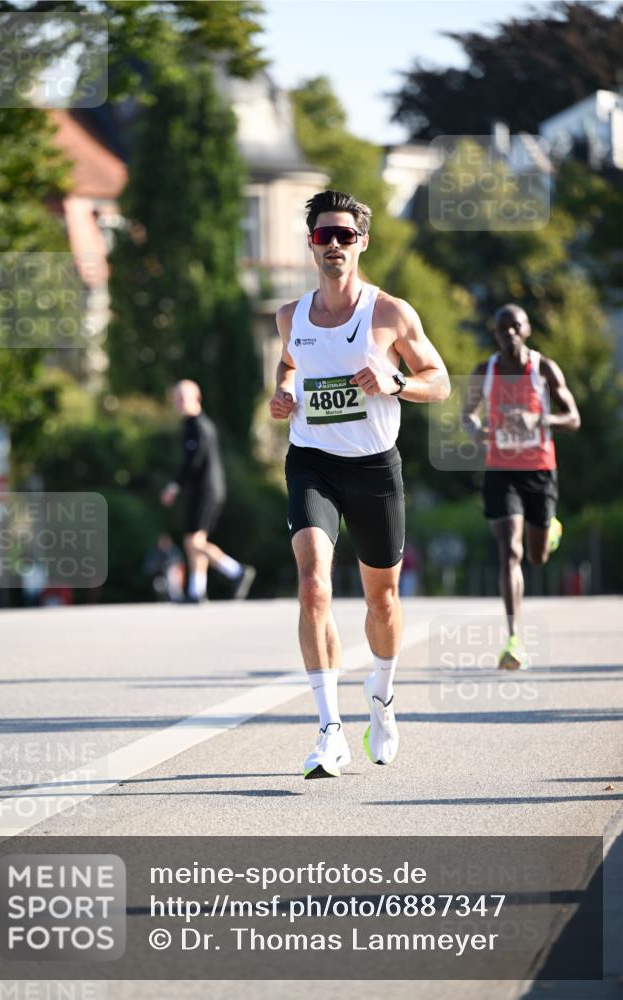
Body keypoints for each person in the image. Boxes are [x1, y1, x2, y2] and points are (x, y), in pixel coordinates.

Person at [269, 189, 450, 779]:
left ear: (362, 242)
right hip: (311, 463)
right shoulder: (290, 316)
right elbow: (291, 362)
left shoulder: (389, 313)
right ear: (311, 242)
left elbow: (439, 381)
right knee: (313, 585)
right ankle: (329, 731)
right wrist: (283, 394)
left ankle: (383, 697)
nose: (335, 245)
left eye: (346, 235)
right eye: (324, 235)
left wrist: (396, 382)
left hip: (374, 467)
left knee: (383, 601)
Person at [462, 304, 580, 669]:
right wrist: (476, 430)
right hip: (500, 469)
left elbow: (573, 418)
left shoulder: (543, 369)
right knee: (509, 550)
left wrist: (538, 419)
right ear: (495, 333)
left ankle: (550, 529)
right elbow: (468, 414)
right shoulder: (486, 371)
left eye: (515, 326)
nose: (509, 333)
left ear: (527, 329)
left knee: (537, 555)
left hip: (539, 470)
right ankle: (514, 639)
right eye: (502, 328)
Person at [160, 380, 256, 603]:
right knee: (193, 540)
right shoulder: (192, 425)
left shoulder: (198, 426)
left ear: (197, 397)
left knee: (194, 542)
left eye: (183, 398)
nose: (179, 403)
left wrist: (173, 487)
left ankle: (236, 571)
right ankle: (196, 591)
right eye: (177, 398)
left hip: (206, 491)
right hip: (202, 490)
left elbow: (192, 461)